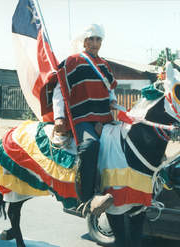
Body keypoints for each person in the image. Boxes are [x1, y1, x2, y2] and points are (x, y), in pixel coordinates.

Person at [53, 23, 117, 216]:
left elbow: (110, 90)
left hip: (104, 118)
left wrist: (113, 102)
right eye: (91, 39)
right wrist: (59, 117)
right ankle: (87, 199)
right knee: (90, 145)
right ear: (84, 41)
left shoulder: (104, 64)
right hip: (82, 118)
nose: (95, 43)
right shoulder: (73, 61)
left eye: (99, 39)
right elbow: (59, 90)